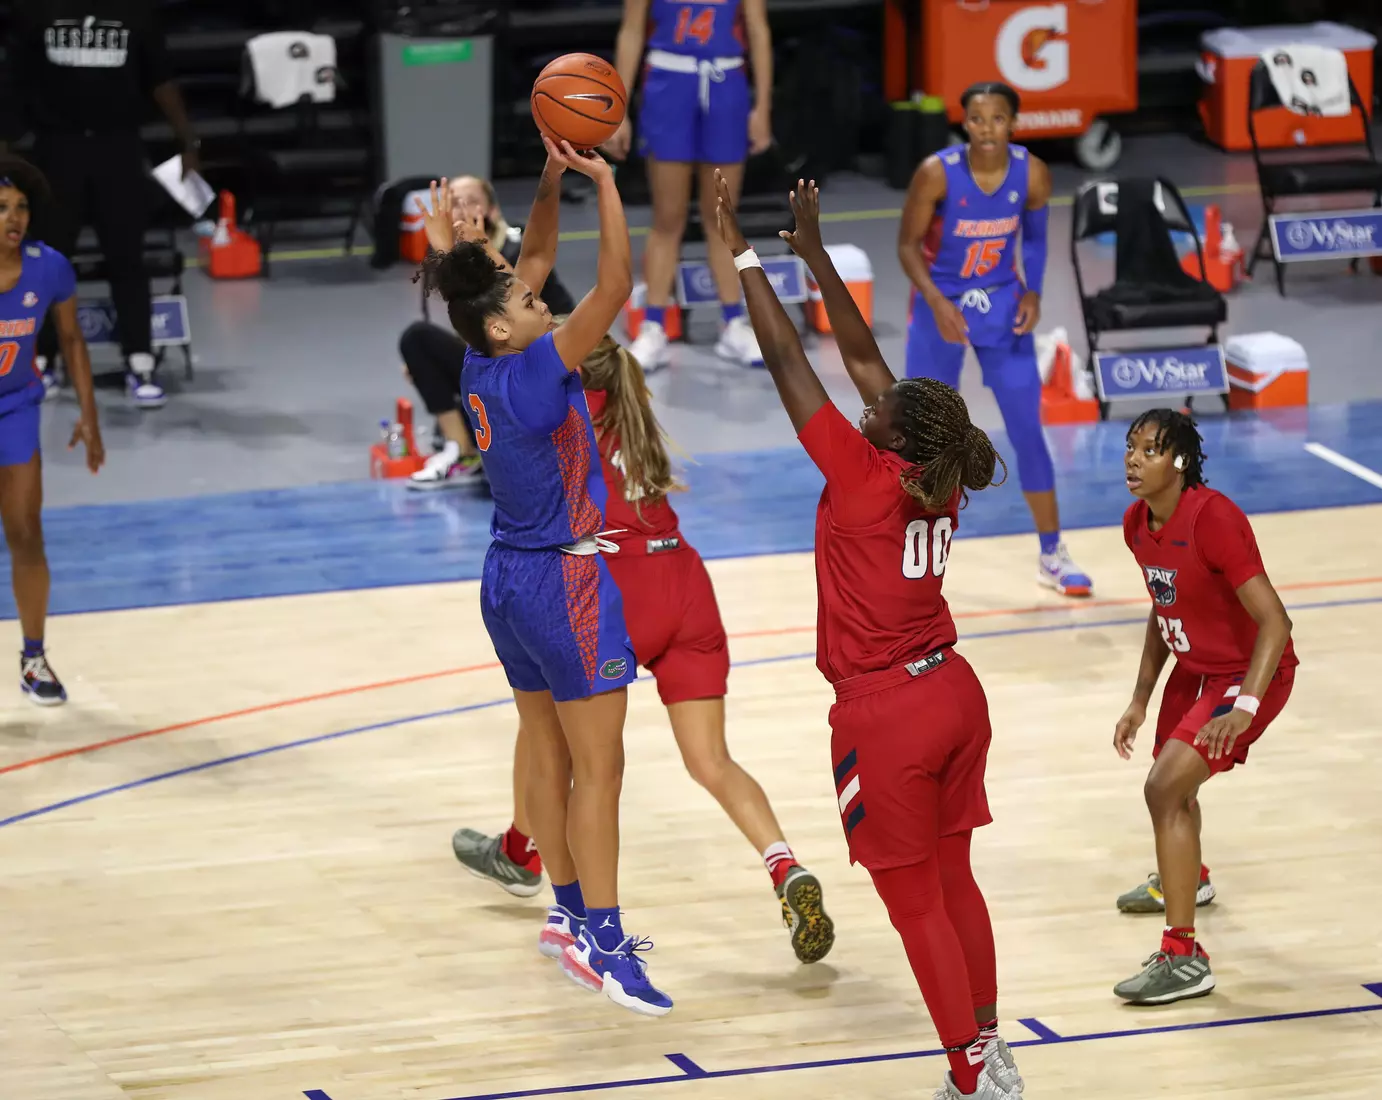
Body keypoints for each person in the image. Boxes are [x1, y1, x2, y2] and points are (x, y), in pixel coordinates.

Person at [716, 173, 1023, 1099]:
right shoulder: (932, 467)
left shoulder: (863, 472)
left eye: (879, 407)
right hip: (954, 694)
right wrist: (811, 252)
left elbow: (788, 364)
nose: (866, 403)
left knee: (913, 899)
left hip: (887, 713)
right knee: (955, 881)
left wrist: (742, 253)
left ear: (895, 431)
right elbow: (862, 364)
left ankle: (969, 1075)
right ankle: (990, 1042)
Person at [453, 333, 835, 966]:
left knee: (549, 732)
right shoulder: (633, 407)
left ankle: (549, 884)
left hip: (616, 587)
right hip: (685, 583)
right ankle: (783, 864)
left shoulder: (560, 412)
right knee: (712, 760)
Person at [421, 135, 672, 1017]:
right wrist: (605, 184)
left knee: (550, 753)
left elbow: (526, 261)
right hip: (565, 585)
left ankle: (568, 917)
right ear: (504, 324)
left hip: (505, 580)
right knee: (600, 770)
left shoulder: (480, 361)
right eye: (529, 302)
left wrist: (552, 179)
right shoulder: (532, 372)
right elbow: (613, 288)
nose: (539, 294)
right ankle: (606, 943)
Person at [1111, 409, 1296, 1006]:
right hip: (1194, 671)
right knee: (1174, 791)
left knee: (1162, 789)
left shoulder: (1214, 518)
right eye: (1130, 448)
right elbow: (1162, 607)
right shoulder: (1137, 523)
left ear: (1181, 463)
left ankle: (1185, 956)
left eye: (1150, 451)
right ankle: (1192, 880)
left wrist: (1245, 705)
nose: (1134, 460)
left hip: (1247, 674)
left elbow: (1275, 620)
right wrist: (1140, 698)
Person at [898, 81, 1092, 598]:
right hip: (941, 308)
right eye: (977, 119)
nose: (987, 129)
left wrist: (1034, 293)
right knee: (922, 437)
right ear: (965, 123)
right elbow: (906, 246)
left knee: (1027, 429)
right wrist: (936, 301)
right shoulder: (936, 173)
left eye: (998, 119)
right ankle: (903, 554)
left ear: (1014, 123)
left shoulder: (1033, 173)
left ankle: (1053, 552)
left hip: (1002, 304)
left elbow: (1036, 239)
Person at [0, 0, 203, 410]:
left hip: (119, 146)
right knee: (47, 261)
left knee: (127, 255)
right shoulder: (35, 10)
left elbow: (160, 80)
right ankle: (41, 360)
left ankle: (140, 361)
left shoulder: (136, 11)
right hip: (58, 148)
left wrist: (187, 138)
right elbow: (14, 82)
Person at [608, 0, 773, 370]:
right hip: (669, 85)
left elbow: (759, 31)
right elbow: (632, 31)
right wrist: (618, 109)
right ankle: (653, 326)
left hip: (726, 85)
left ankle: (733, 322)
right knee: (668, 217)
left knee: (724, 217)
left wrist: (762, 106)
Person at [0, 156, 104, 704]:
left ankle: (33, 656)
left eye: (21, 208)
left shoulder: (50, 267)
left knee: (25, 534)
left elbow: (71, 341)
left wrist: (88, 416)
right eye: (0, 208)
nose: (13, 218)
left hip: (15, 408)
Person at [402, 175, 576, 490]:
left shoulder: (513, 247)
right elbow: (469, 314)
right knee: (418, 340)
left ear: (493, 210)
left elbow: (522, 283)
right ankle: (461, 449)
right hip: (504, 356)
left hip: (546, 354)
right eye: (453, 202)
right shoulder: (460, 274)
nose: (460, 209)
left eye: (470, 200)